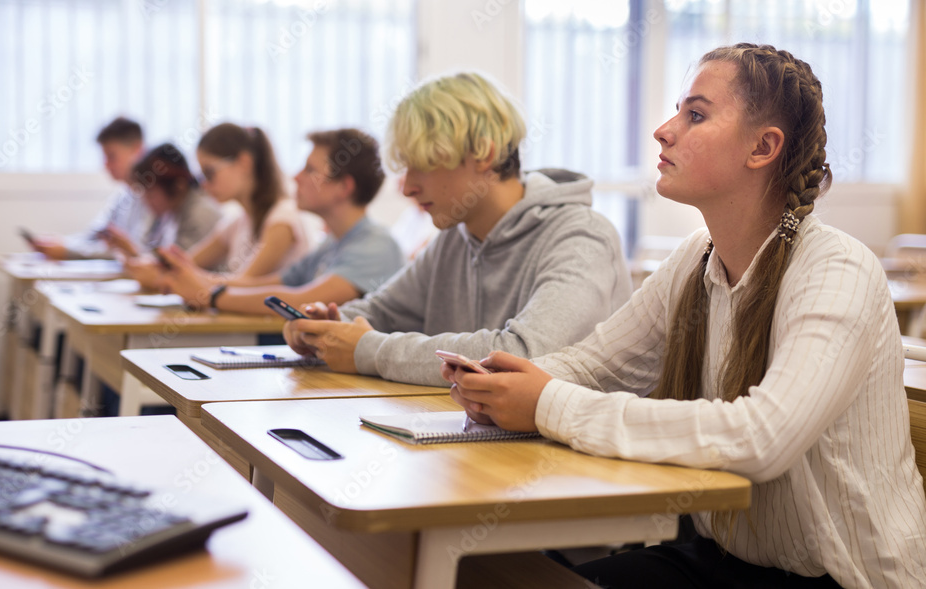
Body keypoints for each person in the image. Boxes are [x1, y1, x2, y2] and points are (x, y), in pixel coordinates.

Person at [443, 44, 926, 588]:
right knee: (492, 575)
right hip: (726, 560)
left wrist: (547, 403)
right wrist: (499, 383)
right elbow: (595, 364)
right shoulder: (697, 257)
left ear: (763, 147)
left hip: (841, 580)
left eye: (695, 115)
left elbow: (760, 439)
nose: (664, 131)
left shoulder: (837, 270)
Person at [282, 72, 631, 387]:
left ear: (483, 154)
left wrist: (370, 351)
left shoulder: (582, 237)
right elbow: (379, 313)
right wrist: (324, 328)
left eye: (421, 165)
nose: (407, 188)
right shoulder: (455, 237)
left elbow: (523, 356)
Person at [159, 128, 403, 314]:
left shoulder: (376, 246)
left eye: (310, 170)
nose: (296, 177)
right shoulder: (332, 243)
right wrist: (198, 279)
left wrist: (210, 295)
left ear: (344, 187)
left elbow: (300, 301)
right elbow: (268, 284)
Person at [125, 123, 308, 290]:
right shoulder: (238, 222)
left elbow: (245, 284)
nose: (203, 184)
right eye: (201, 176)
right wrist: (160, 268)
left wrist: (169, 277)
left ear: (244, 162)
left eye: (209, 173)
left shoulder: (282, 220)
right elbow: (190, 263)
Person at [28, 117, 151, 260]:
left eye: (112, 156)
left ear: (137, 150)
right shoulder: (124, 196)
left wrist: (68, 251)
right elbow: (94, 234)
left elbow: (136, 252)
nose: (106, 165)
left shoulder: (153, 199)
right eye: (104, 157)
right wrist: (62, 243)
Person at [107, 142, 222, 264]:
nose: (146, 202)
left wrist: (133, 253)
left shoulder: (199, 214)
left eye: (151, 195)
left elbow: (177, 268)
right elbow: (154, 253)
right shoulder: (169, 211)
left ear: (178, 186)